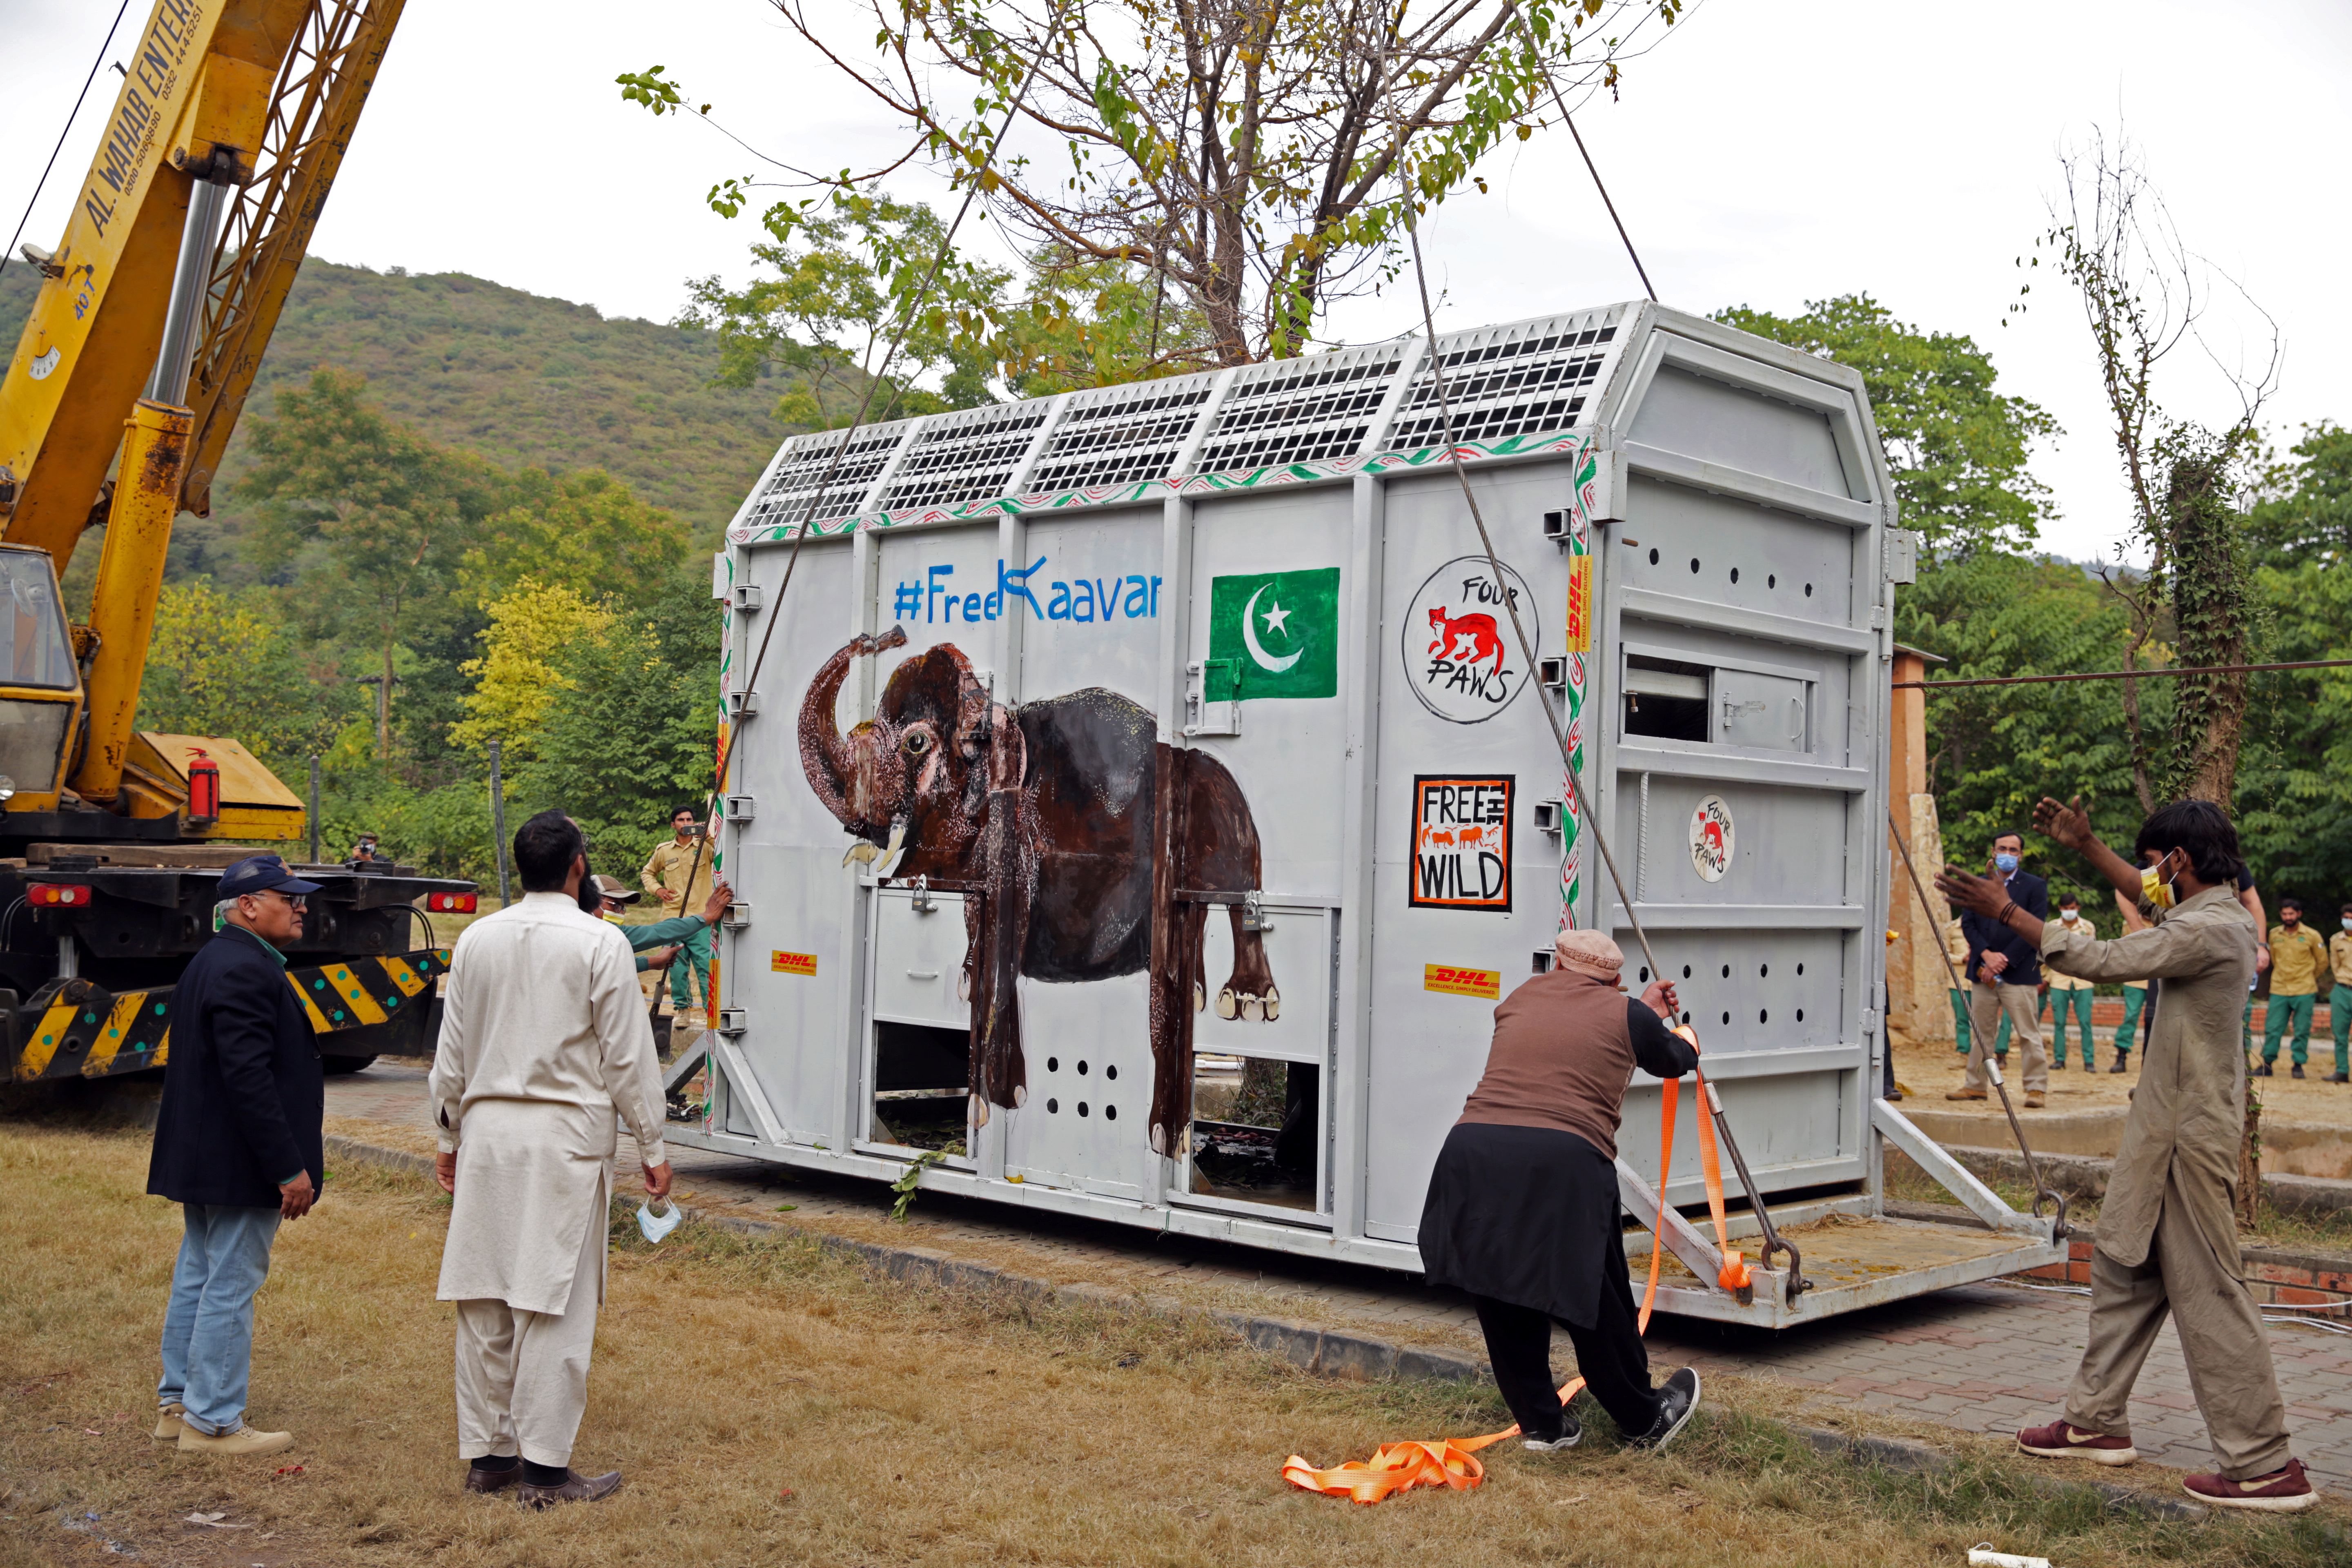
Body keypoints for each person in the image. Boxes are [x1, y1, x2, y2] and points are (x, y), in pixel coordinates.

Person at [1938, 796, 2315, 1512]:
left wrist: (2007, 908)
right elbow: (2151, 898)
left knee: (2209, 1289)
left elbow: (2106, 958)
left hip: (2185, 1138)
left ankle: (2264, 1465)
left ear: (2181, 862)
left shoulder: (2211, 930)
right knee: (2122, 1264)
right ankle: (2094, 1422)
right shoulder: (2207, 912)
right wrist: (2086, 846)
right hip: (2163, 1129)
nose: (2146, 879)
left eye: (2153, 864)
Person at [430, 811, 674, 1507]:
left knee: (484, 1298)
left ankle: (489, 1456)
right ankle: (542, 1469)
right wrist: (652, 1144)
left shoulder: (477, 939)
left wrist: (447, 1136)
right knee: (553, 1303)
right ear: (578, 866)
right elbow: (628, 1058)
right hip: (564, 1141)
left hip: (488, 1134)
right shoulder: (600, 944)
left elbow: (452, 1052)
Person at [1417, 929, 1702, 1454]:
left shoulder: (1522, 997)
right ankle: (1644, 1419)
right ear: (1615, 979)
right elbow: (1673, 1060)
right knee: (1595, 1298)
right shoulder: (1629, 1015)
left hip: (1473, 1152)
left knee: (1502, 1290)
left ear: (1558, 966)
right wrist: (1683, 1037)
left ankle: (1543, 1425)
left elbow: (1582, 1025)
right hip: (1562, 1163)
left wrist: (1640, 1013)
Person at [146, 855, 328, 1457]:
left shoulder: (216, 958)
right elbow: (248, 1080)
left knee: (198, 1277)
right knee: (228, 1282)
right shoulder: (246, 969)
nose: (301, 906)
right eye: (288, 897)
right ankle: (214, 1422)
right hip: (239, 1162)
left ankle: (178, 1407)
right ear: (248, 905)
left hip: (207, 1158)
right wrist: (287, 1166)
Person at [1949, 830, 2049, 1108]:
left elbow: (2035, 927)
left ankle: (2036, 1088)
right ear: (1993, 852)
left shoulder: (2034, 886)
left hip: (2019, 972)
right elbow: (1968, 924)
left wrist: (2004, 959)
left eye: (2013, 850)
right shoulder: (1978, 885)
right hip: (1983, 972)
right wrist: (1987, 956)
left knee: (2028, 1034)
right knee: (1983, 1035)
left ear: (2021, 855)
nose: (2007, 854)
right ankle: (1977, 1085)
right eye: (2002, 849)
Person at [639, 806, 715, 1021]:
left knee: (706, 966)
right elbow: (648, 873)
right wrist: (658, 890)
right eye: (681, 820)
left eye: (690, 819)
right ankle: (683, 1011)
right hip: (673, 919)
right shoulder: (664, 850)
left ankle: (711, 1013)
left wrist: (708, 837)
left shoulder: (705, 846)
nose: (686, 823)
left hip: (701, 918)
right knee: (676, 967)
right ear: (673, 825)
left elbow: (724, 855)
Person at [589, 873, 732, 978]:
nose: (619, 913)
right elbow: (657, 932)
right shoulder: (595, 931)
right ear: (590, 899)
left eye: (622, 908)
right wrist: (708, 916)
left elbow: (606, 966)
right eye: (614, 905)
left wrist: (651, 962)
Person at [2259, 898, 2330, 1079]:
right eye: (2284, 914)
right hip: (2280, 989)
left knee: (2302, 1029)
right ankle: (2267, 1063)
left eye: (2291, 914)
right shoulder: (2275, 934)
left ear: (2299, 914)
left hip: (2304, 989)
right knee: (2273, 1028)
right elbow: (2274, 958)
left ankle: (2298, 1065)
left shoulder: (2312, 935)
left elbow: (2322, 962)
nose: (2288, 917)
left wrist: (2308, 977)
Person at [2046, 895, 2098, 1071]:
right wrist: (2045, 978)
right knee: (2059, 1022)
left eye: (2073, 908)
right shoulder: (2052, 927)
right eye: (2066, 908)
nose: (2070, 911)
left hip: (2083, 979)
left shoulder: (2088, 927)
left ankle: (2089, 1061)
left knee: (2085, 1022)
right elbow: (2045, 953)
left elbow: (2094, 953)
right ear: (2060, 908)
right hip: (2059, 978)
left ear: (2078, 908)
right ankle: (2059, 1059)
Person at [2110, 888, 2152, 1073]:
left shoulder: (2167, 921)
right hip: (2135, 979)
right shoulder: (2131, 923)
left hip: (2159, 979)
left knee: (2158, 1019)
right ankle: (2121, 1055)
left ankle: (2151, 1060)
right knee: (2131, 1016)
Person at [2331, 903, 2352, 1085]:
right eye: (2347, 918)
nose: (2349, 922)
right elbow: (2334, 965)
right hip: (2343, 989)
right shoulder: (2335, 940)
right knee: (2340, 1033)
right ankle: (2342, 1070)